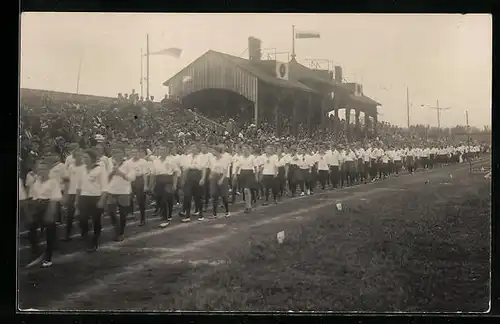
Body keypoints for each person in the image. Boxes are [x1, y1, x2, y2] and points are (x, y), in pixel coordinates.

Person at [25, 156, 62, 268]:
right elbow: (33, 196)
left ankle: (48, 257)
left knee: (49, 231)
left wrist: (50, 212)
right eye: (39, 169)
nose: (41, 171)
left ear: (48, 170)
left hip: (48, 205)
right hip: (37, 206)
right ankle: (36, 251)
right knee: (32, 228)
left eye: (44, 169)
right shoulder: (36, 181)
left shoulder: (53, 182)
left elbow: (55, 198)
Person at [103, 146, 136, 241]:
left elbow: (132, 178)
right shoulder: (110, 164)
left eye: (119, 153)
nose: (117, 156)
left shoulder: (128, 164)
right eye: (115, 154)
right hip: (111, 191)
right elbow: (106, 178)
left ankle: (120, 232)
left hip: (124, 192)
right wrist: (112, 173)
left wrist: (120, 173)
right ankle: (116, 228)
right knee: (111, 212)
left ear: (123, 155)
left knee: (123, 213)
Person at [78, 149, 108, 252]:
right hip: (83, 197)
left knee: (96, 220)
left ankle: (94, 241)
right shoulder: (82, 169)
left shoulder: (100, 169)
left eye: (86, 157)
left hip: (95, 197)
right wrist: (77, 200)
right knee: (82, 219)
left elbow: (105, 187)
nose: (84, 159)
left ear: (92, 159)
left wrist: (102, 200)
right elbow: (79, 186)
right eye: (83, 157)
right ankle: (86, 236)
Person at [149, 144, 180, 228]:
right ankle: (166, 215)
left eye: (164, 150)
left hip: (168, 181)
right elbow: (152, 174)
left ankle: (166, 218)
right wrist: (151, 185)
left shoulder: (171, 161)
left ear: (167, 152)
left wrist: (174, 184)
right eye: (160, 150)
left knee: (165, 199)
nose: (162, 152)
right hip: (159, 181)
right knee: (159, 200)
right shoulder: (155, 161)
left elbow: (175, 173)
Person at [180, 144, 209, 222]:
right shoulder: (188, 157)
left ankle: (201, 214)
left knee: (198, 197)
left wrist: (203, 178)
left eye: (195, 147)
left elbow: (204, 169)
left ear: (197, 149)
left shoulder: (201, 157)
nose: (193, 149)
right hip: (189, 176)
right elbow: (185, 169)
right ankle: (187, 215)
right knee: (187, 196)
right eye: (192, 147)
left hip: (197, 175)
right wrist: (183, 179)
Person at [62, 148, 85, 241]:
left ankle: (84, 233)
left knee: (82, 214)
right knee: (70, 215)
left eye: (80, 155)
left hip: (82, 193)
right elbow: (67, 180)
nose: (79, 157)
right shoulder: (71, 166)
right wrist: (65, 193)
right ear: (74, 157)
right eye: (77, 155)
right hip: (72, 193)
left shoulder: (85, 167)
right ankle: (67, 235)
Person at [127, 146, 150, 226]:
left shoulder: (143, 161)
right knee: (129, 198)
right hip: (131, 181)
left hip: (139, 180)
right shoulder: (128, 162)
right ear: (130, 153)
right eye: (132, 153)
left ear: (138, 153)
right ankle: (131, 213)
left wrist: (145, 185)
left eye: (136, 152)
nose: (134, 154)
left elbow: (145, 174)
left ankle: (142, 218)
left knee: (140, 201)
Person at [233, 144, 257, 213]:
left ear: (248, 150)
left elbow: (255, 167)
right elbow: (237, 166)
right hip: (242, 173)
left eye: (246, 149)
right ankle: (247, 205)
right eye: (243, 149)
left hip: (249, 173)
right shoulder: (240, 158)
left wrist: (256, 175)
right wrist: (235, 174)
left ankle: (249, 206)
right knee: (244, 191)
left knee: (247, 190)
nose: (244, 151)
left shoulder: (252, 157)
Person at [209, 145, 231, 218]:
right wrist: (211, 176)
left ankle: (227, 211)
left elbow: (225, 171)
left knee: (223, 195)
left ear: (217, 151)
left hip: (222, 177)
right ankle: (214, 213)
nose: (213, 152)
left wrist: (221, 179)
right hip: (214, 177)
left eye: (214, 151)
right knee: (214, 195)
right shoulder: (213, 159)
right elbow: (212, 169)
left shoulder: (224, 159)